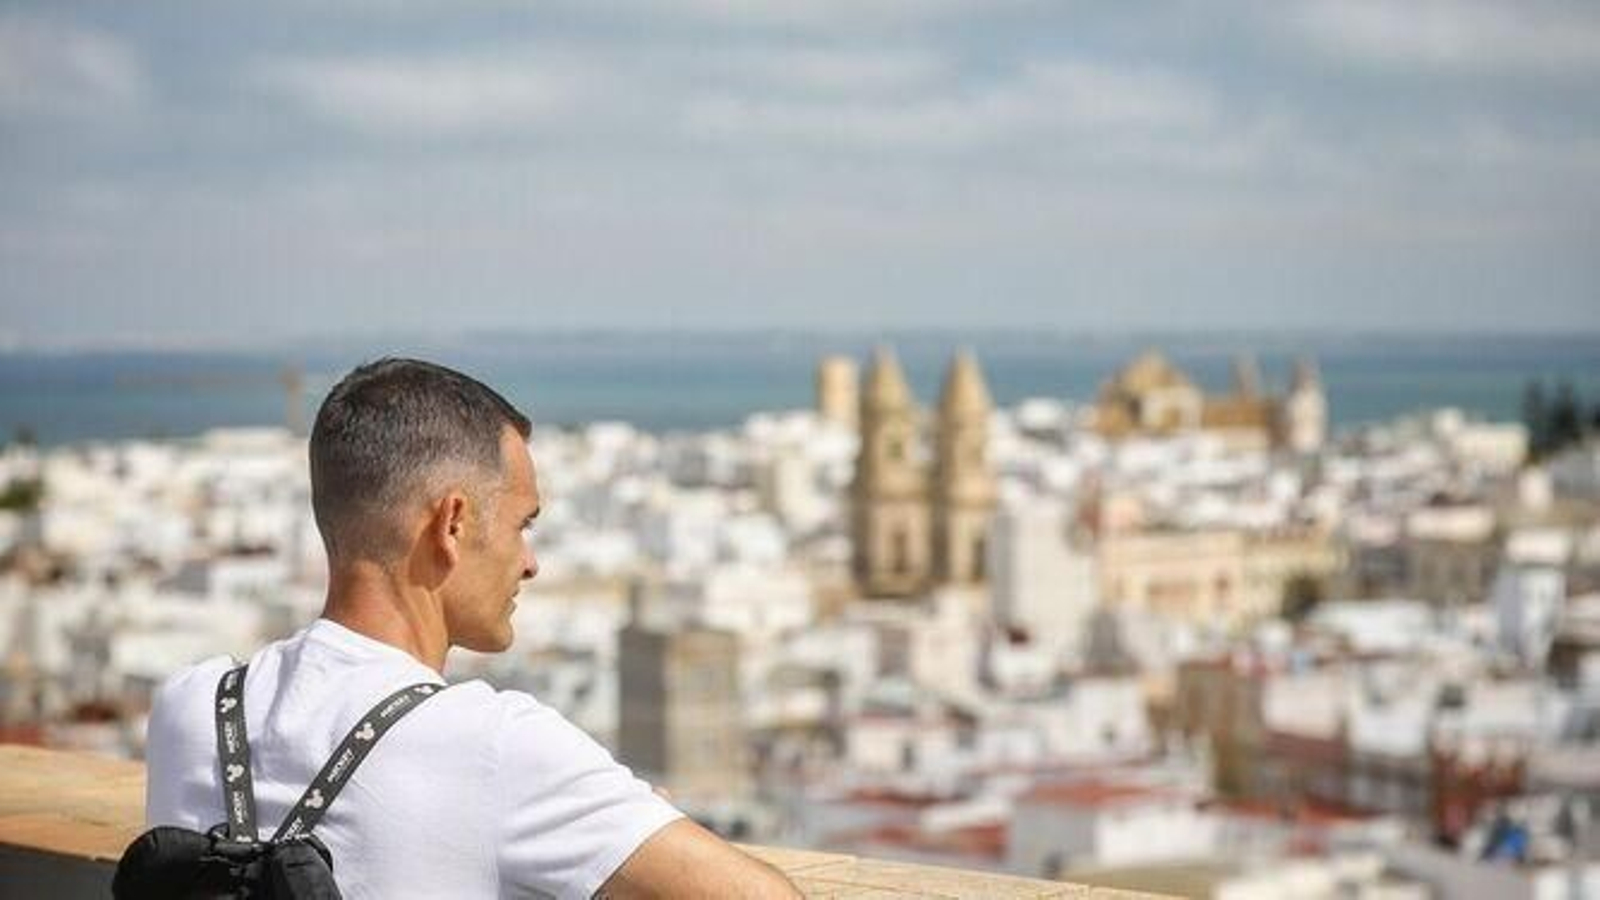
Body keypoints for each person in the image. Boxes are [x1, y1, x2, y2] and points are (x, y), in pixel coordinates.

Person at [144, 358, 801, 899]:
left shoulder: (195, 706)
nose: (531, 562)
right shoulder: (499, 746)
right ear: (451, 524)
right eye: (524, 524)